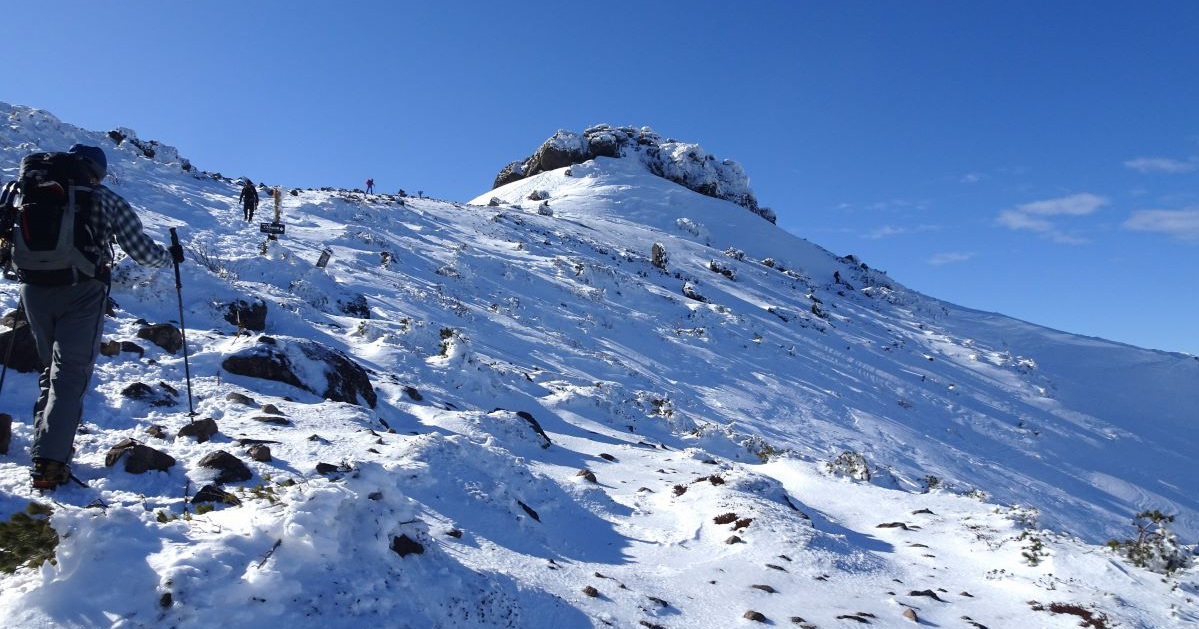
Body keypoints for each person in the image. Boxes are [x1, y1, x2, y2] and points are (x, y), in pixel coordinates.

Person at [19, 144, 183, 490]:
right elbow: (140, 251)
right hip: (82, 292)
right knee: (71, 375)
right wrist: (170, 257)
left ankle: (45, 448)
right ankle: (49, 465)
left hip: (33, 290)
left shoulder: (32, 192)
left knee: (51, 368)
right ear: (97, 171)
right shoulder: (103, 198)